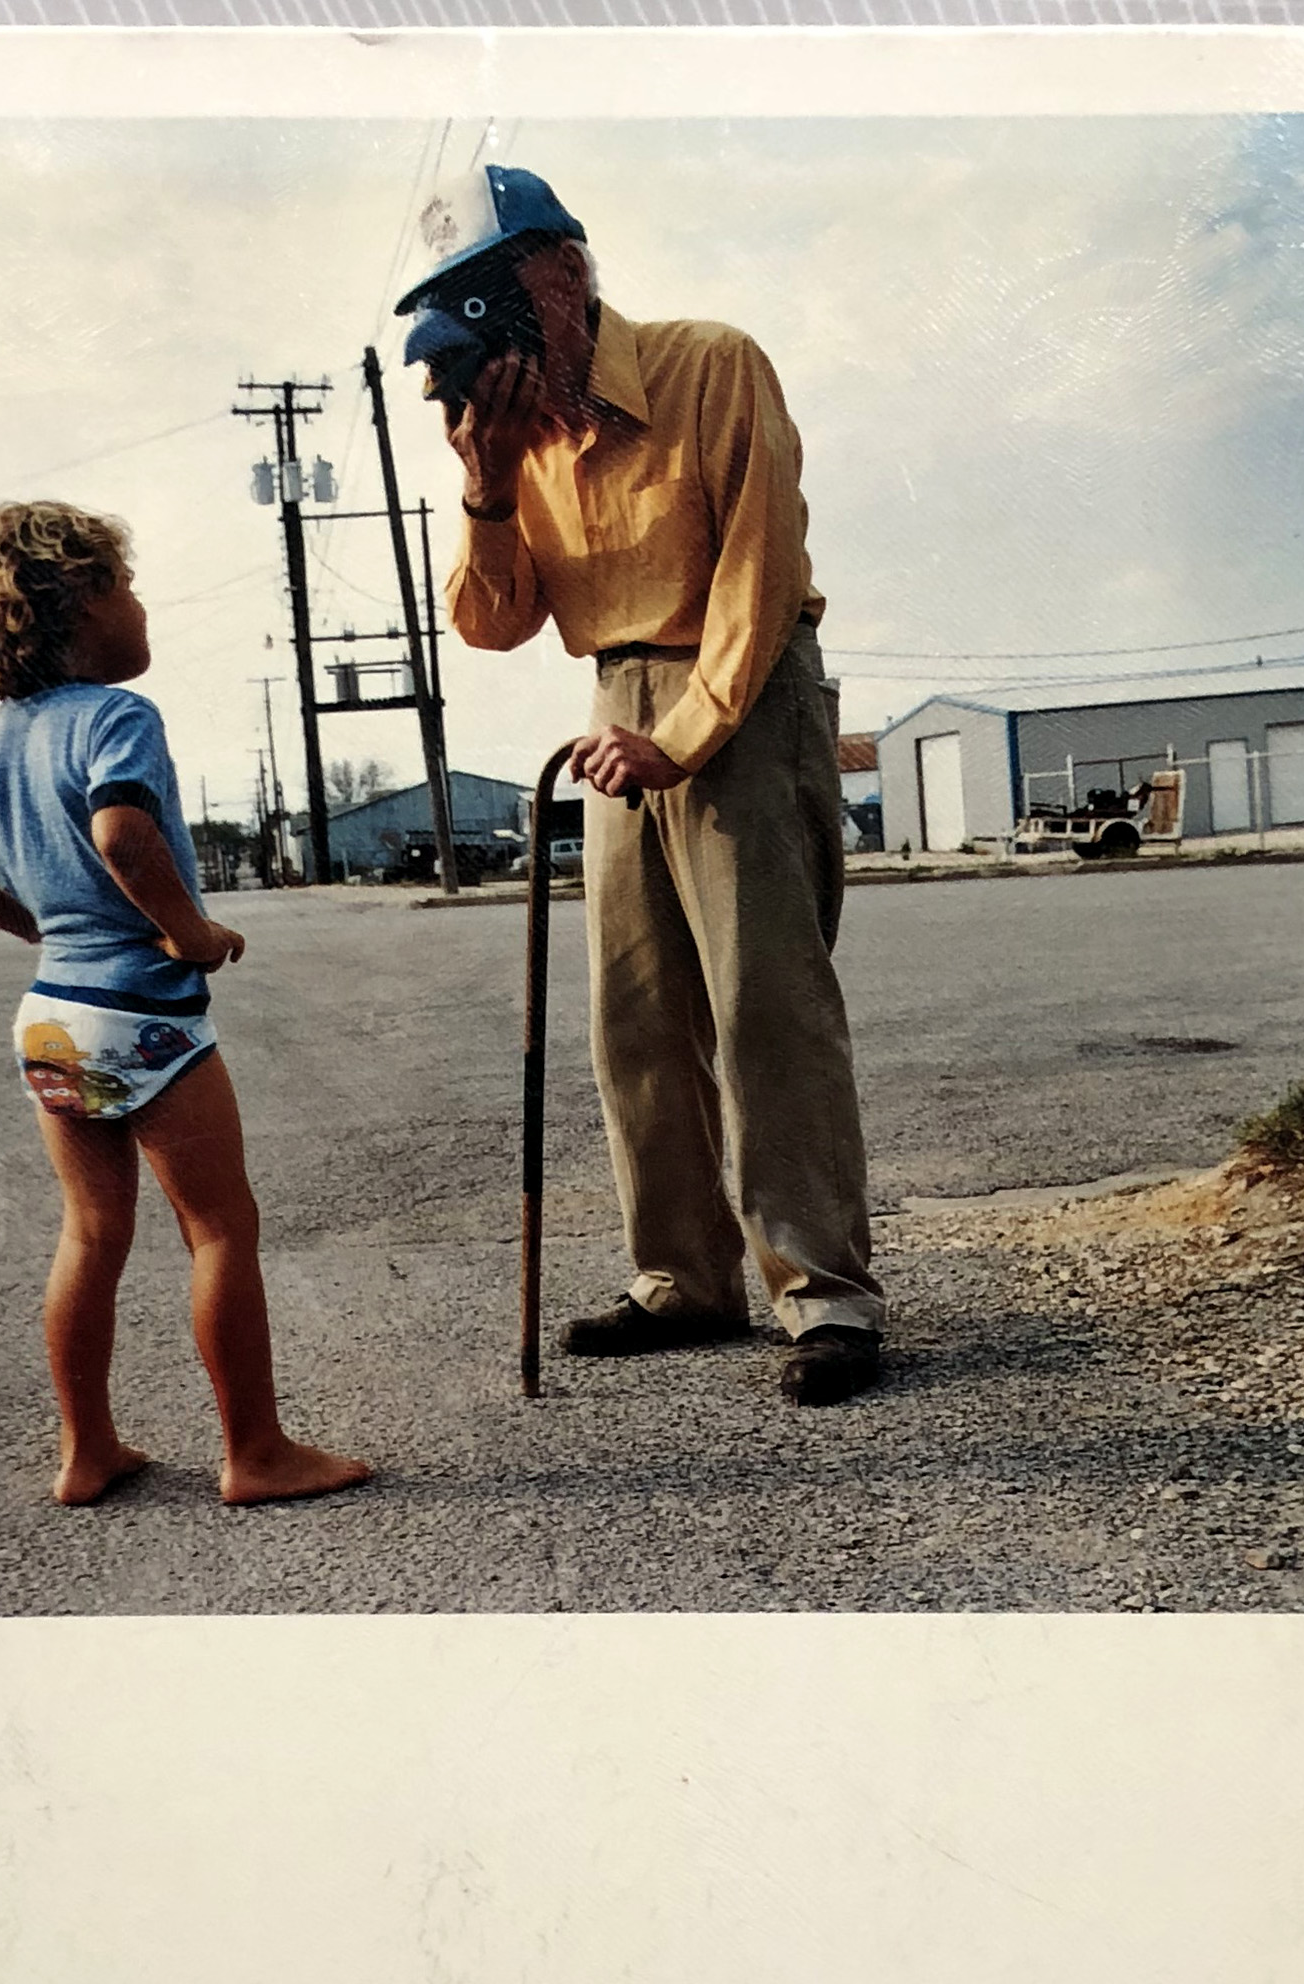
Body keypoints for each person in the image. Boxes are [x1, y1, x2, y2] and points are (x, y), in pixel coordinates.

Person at [399, 167, 887, 1404]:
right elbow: (493, 624)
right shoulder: (519, 438)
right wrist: (486, 489)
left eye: (492, 293)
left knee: (764, 1004)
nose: (480, 342)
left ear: (562, 271)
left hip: (743, 685)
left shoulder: (710, 364)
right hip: (613, 698)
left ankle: (822, 1294)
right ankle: (683, 1279)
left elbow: (760, 566)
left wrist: (689, 731)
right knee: (635, 1015)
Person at [0, 500, 370, 1508]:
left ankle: (86, 1450)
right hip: (143, 1013)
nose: (142, 604)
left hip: (52, 1015)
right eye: (126, 585)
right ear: (79, 602)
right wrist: (188, 930)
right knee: (219, 1229)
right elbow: (121, 836)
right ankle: (255, 1452)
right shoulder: (117, 718)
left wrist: (29, 923)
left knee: (90, 1232)